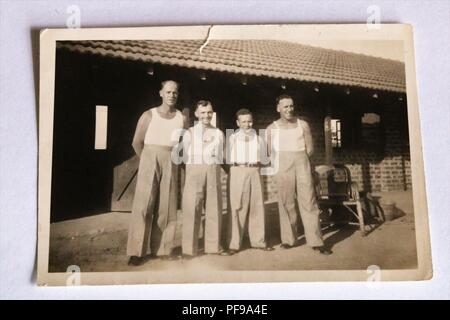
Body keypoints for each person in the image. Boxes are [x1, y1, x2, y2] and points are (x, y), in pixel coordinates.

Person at [126, 80, 187, 266]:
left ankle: (163, 249)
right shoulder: (149, 115)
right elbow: (136, 142)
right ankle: (137, 252)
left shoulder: (180, 117)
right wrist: (147, 159)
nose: (172, 95)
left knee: (167, 206)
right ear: (161, 93)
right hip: (150, 157)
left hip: (171, 159)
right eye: (168, 92)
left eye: (175, 92)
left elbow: (182, 143)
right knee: (144, 205)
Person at [266, 94, 332, 255]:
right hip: (282, 164)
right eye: (285, 106)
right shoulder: (271, 128)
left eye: (291, 106)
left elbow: (310, 148)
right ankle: (289, 239)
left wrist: (302, 161)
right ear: (278, 108)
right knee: (286, 201)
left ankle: (316, 241)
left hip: (302, 162)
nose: (289, 109)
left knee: (309, 201)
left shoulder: (303, 125)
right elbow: (269, 152)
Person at [224, 109, 274, 255]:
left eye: (249, 121)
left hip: (255, 171)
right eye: (243, 121)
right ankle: (234, 244)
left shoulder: (258, 138)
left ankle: (258, 241)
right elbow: (225, 158)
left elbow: (265, 158)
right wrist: (237, 169)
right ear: (238, 123)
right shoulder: (231, 137)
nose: (247, 124)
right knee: (237, 206)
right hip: (238, 170)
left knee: (257, 206)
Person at [181, 100, 225, 258]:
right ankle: (188, 249)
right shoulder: (189, 133)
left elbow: (220, 155)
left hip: (212, 170)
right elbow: (185, 155)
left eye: (209, 112)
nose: (207, 115)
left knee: (214, 208)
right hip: (194, 171)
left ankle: (213, 246)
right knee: (192, 209)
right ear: (196, 114)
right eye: (203, 112)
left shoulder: (219, 133)